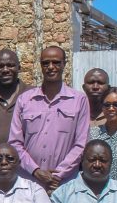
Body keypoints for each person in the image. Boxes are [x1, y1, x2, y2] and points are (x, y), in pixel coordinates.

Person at [8, 46, 89, 192]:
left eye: (56, 62)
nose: (51, 67)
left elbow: (81, 144)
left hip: (64, 184)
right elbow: (15, 143)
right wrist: (35, 171)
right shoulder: (25, 100)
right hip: (28, 182)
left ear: (65, 64)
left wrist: (58, 175)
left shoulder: (79, 100)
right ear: (41, 66)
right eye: (46, 63)